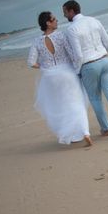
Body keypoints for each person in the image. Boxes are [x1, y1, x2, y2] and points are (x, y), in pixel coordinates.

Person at [62, 0, 108, 137]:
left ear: (71, 11)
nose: (64, 15)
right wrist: (102, 51)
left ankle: (105, 129)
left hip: (88, 64)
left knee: (95, 98)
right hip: (105, 60)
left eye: (65, 12)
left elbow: (78, 55)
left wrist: (77, 70)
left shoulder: (71, 29)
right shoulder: (94, 20)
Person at [27, 11, 93, 146]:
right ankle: (85, 132)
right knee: (77, 102)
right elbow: (72, 54)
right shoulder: (61, 36)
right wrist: (78, 68)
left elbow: (31, 62)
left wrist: (45, 67)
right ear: (48, 23)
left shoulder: (36, 41)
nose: (57, 21)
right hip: (67, 73)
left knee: (62, 106)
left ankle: (73, 135)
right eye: (54, 19)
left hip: (51, 78)